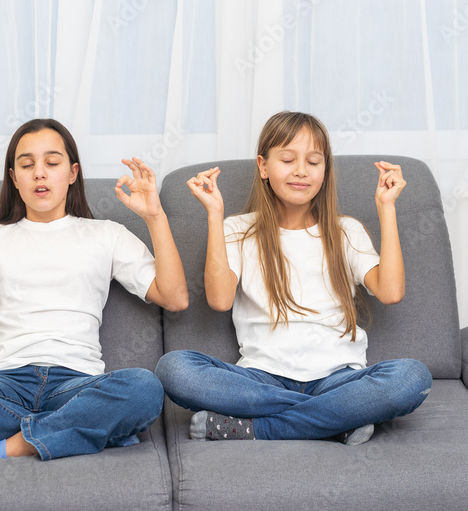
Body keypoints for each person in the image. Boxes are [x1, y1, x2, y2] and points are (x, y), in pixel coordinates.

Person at [0, 118, 188, 460]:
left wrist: (155, 217)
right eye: (27, 164)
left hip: (76, 384)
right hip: (1, 384)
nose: (39, 174)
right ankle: (81, 431)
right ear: (14, 177)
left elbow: (175, 297)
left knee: (143, 389)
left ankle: (7, 447)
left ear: (73, 173)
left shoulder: (106, 234)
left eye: (52, 162)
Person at [155, 111, 431, 445]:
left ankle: (259, 429)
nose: (301, 170)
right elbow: (219, 299)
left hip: (339, 379)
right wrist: (214, 215)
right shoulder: (238, 230)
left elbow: (390, 292)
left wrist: (387, 208)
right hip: (261, 380)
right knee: (174, 369)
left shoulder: (347, 231)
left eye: (314, 162)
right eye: (287, 159)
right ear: (263, 167)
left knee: (411, 378)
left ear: (325, 171)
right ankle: (335, 419)